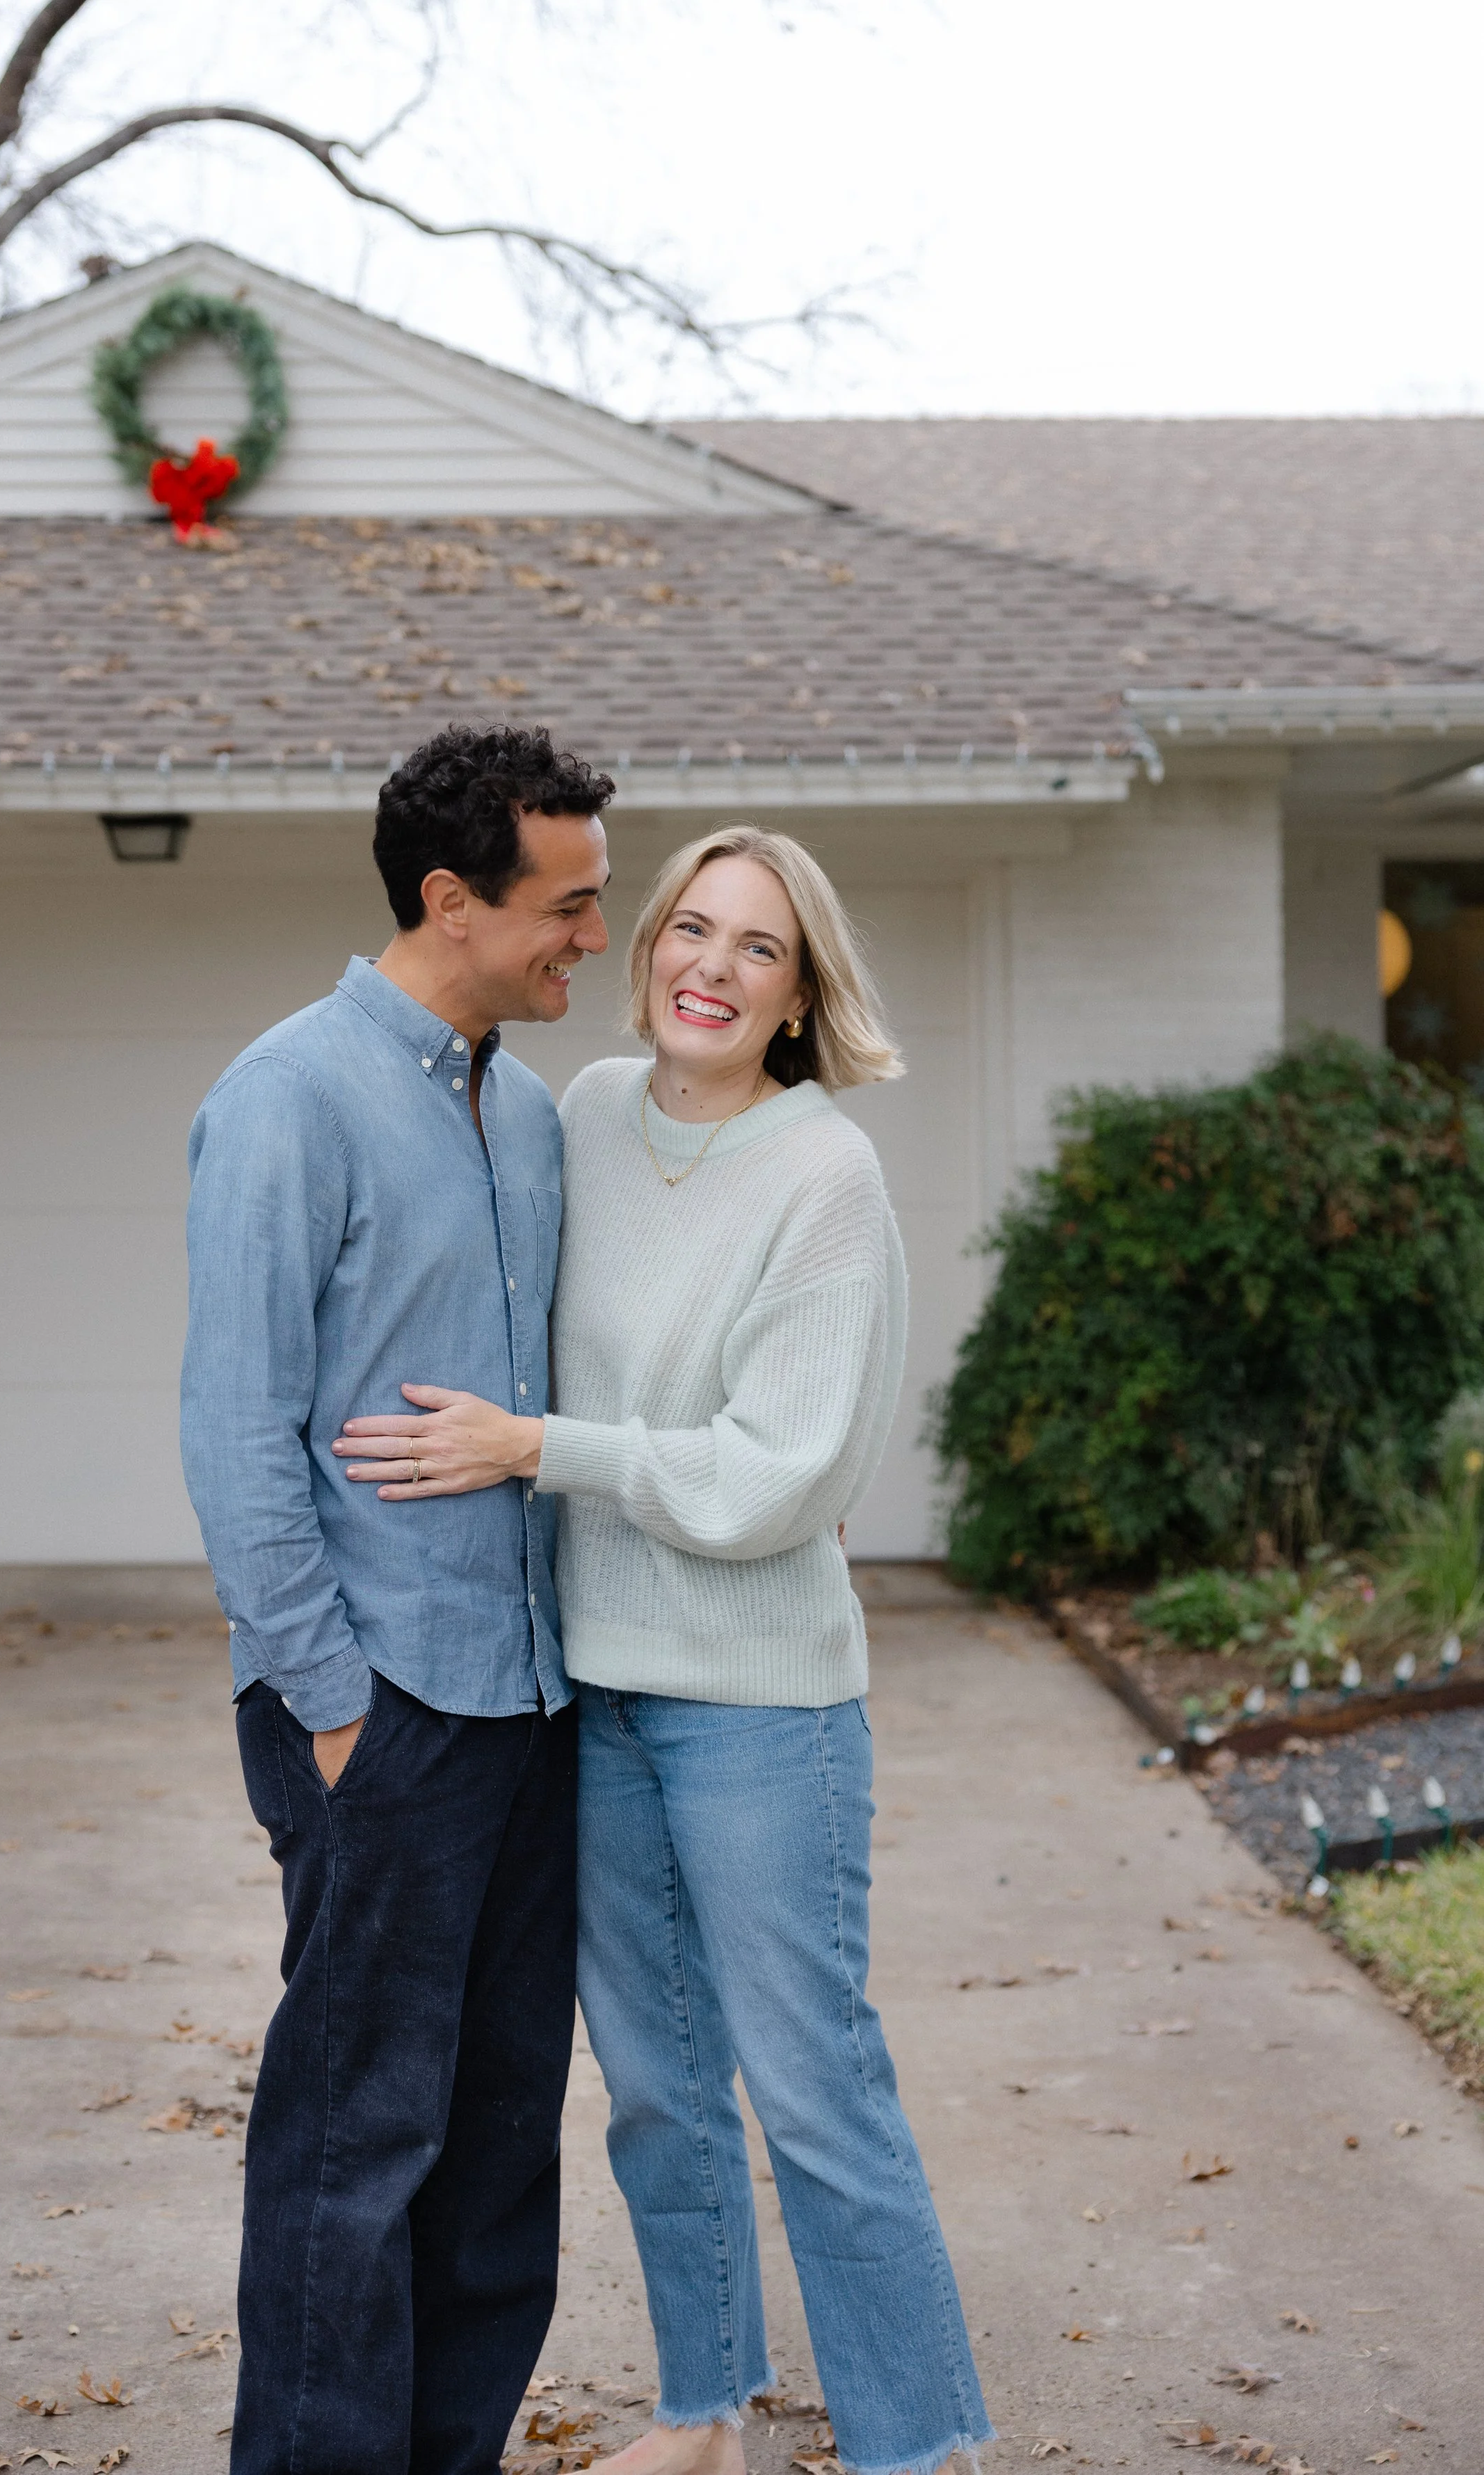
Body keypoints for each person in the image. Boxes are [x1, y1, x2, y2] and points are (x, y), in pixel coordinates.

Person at [335, 825, 994, 2475]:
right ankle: (708, 2414)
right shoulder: (586, 1118)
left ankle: (923, 2447)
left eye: (754, 948)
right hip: (597, 1689)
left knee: (813, 2091)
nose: (709, 965)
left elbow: (783, 1477)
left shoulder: (822, 1174)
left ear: (795, 994)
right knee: (650, 2087)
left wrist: (543, 1449)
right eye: (686, 930)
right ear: (643, 957)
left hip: (761, 1705)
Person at [180, 723, 614, 2475]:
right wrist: (334, 1705)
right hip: (386, 1710)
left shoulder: (523, 1108)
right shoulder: (288, 1096)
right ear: (452, 899)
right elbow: (234, 1429)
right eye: (568, 907)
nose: (597, 938)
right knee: (353, 2151)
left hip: (530, 1707)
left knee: (499, 2148)